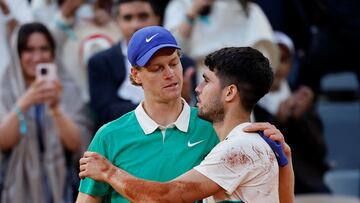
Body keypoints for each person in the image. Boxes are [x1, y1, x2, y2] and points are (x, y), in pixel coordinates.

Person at [76, 26, 294, 203]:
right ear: (136, 75)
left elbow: (169, 195)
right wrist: (285, 160)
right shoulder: (108, 136)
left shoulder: (219, 131)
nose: (170, 74)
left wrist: (110, 172)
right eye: (157, 68)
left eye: (174, 63)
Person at [0, 22, 93, 203]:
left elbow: (78, 144)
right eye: (29, 49)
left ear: (53, 52)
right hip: (15, 186)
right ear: (17, 54)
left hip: (62, 186)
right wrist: (25, 102)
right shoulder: (5, 91)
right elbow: (3, 142)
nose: (37, 57)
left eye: (44, 49)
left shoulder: (68, 88)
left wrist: (56, 108)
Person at [88, 0, 196, 129]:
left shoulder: (186, 63)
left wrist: (186, 100)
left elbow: (196, 109)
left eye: (143, 16)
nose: (136, 24)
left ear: (157, 18)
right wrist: (160, 107)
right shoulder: (100, 62)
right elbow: (104, 112)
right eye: (128, 18)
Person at [253, 31, 330, 194]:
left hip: (307, 185)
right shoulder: (247, 100)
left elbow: (320, 151)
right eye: (272, 59)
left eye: (284, 60)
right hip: (265, 186)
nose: (278, 66)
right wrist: (277, 121)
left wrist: (302, 117)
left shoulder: (301, 99)